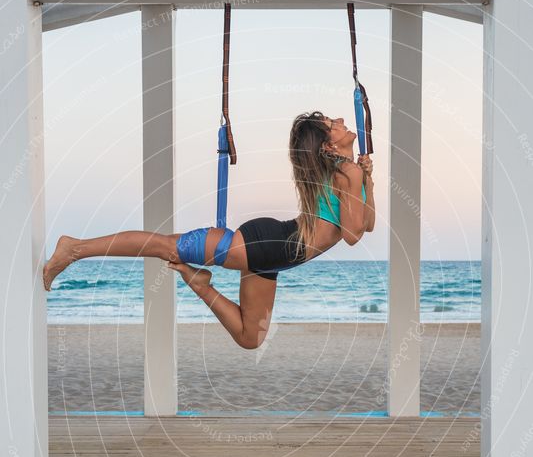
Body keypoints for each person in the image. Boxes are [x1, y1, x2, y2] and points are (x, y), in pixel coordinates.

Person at [43, 111, 375, 349]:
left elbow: (368, 224)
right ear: (328, 147)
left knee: (250, 338)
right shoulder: (347, 175)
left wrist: (368, 180)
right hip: (265, 245)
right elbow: (351, 235)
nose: (342, 121)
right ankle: (74, 248)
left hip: (274, 254)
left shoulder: (348, 173)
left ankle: (200, 283)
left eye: (333, 121)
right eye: (333, 124)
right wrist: (361, 178)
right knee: (165, 246)